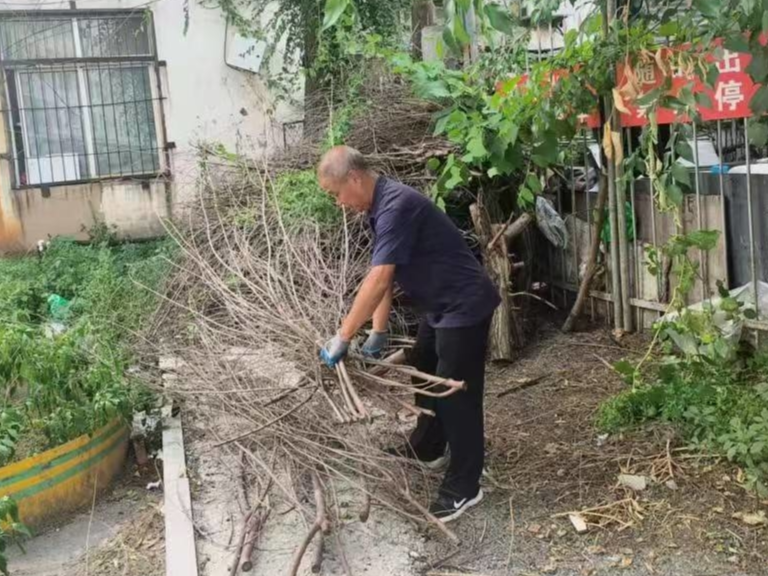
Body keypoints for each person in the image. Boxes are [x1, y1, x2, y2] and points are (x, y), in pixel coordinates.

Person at [317, 145, 500, 523]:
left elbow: (380, 276)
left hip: (463, 306)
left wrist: (344, 336)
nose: (339, 203)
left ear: (354, 178)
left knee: (454, 393)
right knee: (424, 367)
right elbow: (390, 272)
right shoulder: (378, 207)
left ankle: (465, 486)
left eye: (336, 194)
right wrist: (378, 331)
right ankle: (429, 447)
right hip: (438, 308)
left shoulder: (396, 206)